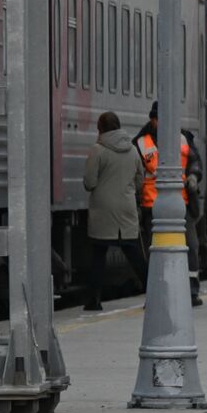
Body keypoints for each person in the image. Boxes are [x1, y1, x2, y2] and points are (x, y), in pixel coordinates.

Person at [134, 101, 203, 307]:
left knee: (191, 246)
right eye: (158, 119)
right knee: (154, 252)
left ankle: (192, 291)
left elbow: (195, 162)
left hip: (181, 202)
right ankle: (156, 293)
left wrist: (193, 176)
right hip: (151, 204)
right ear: (153, 120)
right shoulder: (141, 143)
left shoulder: (183, 139)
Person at [82, 111, 148, 311]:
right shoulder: (133, 150)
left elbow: (89, 182)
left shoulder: (97, 149)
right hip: (126, 208)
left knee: (98, 256)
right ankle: (153, 293)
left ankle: (94, 301)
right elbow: (140, 181)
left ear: (100, 129)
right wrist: (128, 190)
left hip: (103, 209)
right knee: (135, 254)